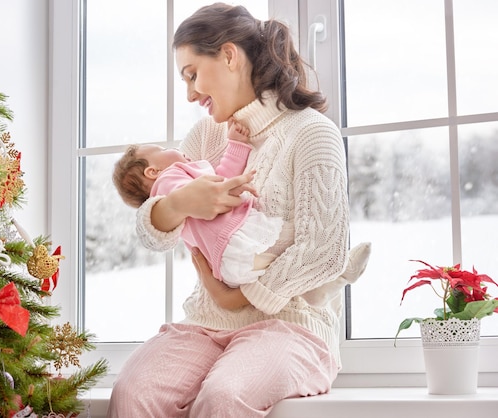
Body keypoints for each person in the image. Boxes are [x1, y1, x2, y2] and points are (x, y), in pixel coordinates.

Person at [107, 3, 369, 417]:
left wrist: (237, 297)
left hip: (292, 326)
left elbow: (324, 251)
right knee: (134, 391)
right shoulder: (206, 136)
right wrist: (178, 203)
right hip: (205, 325)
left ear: (229, 56)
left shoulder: (312, 134)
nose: (190, 93)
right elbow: (152, 233)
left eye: (192, 74)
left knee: (224, 397)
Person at [112, 120, 370, 293]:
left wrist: (235, 146)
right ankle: (338, 269)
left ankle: (328, 283)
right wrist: (237, 178)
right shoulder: (171, 179)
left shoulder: (176, 179)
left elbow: (215, 182)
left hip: (227, 266)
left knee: (280, 272)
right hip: (236, 242)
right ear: (152, 171)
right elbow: (210, 190)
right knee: (293, 239)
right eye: (161, 148)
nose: (173, 148)